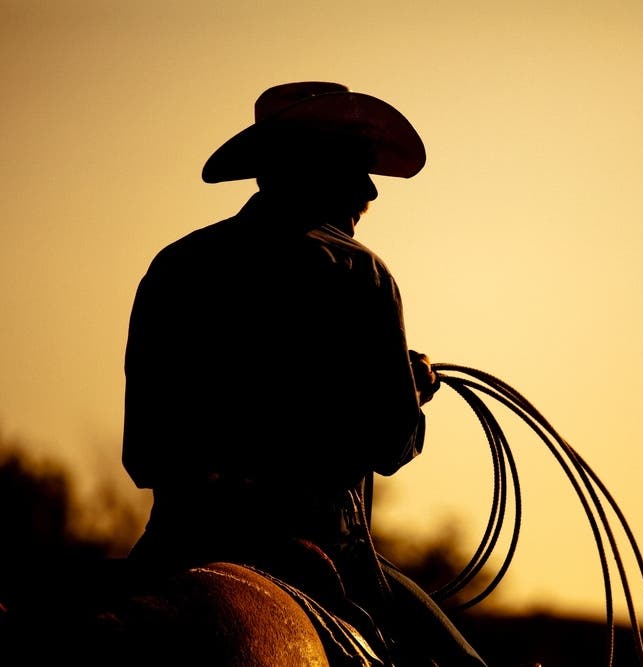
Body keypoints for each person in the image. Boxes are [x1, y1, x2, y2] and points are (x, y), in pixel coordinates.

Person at [119, 81, 486, 666]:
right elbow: (388, 442)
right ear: (316, 169)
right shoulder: (357, 269)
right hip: (315, 549)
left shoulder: (175, 264)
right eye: (356, 168)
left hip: (172, 542)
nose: (369, 189)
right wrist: (410, 390)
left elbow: (144, 453)